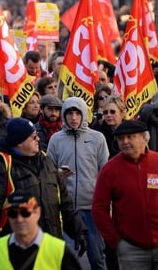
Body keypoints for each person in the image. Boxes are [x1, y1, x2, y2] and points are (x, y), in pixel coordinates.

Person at [0, 117, 86, 252]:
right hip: (18, 248)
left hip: (50, 244)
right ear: (19, 142)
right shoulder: (0, 167)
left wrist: (78, 230)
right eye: (33, 137)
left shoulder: (46, 162)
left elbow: (64, 201)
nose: (38, 140)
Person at [47, 96, 109, 270]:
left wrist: (105, 204)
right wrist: (59, 174)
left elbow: (105, 173)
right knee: (69, 261)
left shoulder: (98, 138)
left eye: (77, 113)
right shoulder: (55, 139)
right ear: (63, 115)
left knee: (97, 257)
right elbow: (48, 173)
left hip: (91, 207)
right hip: (66, 210)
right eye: (69, 113)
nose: (73, 118)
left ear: (84, 114)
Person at [92, 120, 158, 269]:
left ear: (144, 138)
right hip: (131, 249)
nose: (125, 142)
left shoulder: (156, 162)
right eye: (121, 138)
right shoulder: (110, 170)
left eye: (130, 137)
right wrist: (114, 241)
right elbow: (99, 208)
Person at [0, 191, 82, 269]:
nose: (19, 219)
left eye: (25, 213)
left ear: (37, 212)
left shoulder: (59, 249)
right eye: (12, 214)